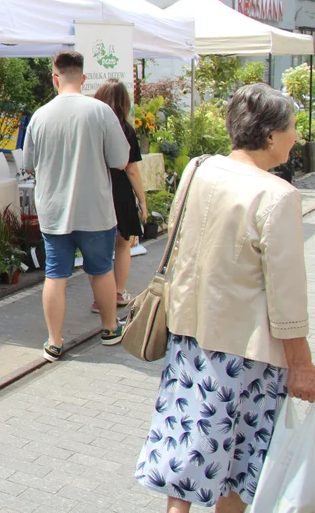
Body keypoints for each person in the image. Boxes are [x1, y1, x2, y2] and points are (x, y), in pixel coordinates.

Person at [134, 83, 315, 512]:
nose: (298, 137)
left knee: (188, 452)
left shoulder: (199, 169)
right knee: (237, 465)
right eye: (292, 128)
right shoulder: (278, 195)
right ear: (270, 136)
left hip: (188, 336)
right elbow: (286, 296)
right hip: (245, 352)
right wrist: (302, 362)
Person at [23, 51, 130, 362]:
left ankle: (54, 342)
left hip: (54, 212)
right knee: (101, 270)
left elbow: (29, 163)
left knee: (56, 275)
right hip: (95, 210)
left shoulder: (40, 116)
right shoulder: (101, 112)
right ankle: (110, 328)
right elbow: (120, 160)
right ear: (83, 79)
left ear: (54, 78)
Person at [91, 79, 147, 314]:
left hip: (95, 187)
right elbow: (131, 169)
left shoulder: (90, 128)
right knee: (123, 244)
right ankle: (118, 292)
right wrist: (142, 200)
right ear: (125, 102)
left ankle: (98, 299)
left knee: (97, 247)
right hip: (120, 189)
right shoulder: (125, 129)